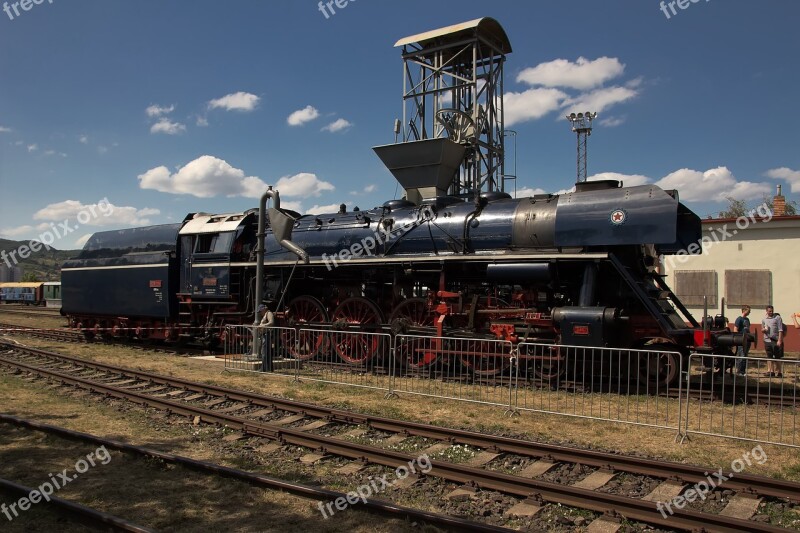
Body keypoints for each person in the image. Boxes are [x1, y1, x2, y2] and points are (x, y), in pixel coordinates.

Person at [761, 305, 784, 377]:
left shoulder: (777, 318)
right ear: (766, 311)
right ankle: (771, 371)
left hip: (775, 340)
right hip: (767, 339)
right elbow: (762, 328)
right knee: (769, 356)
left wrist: (779, 340)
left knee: (777, 356)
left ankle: (779, 372)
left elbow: (780, 330)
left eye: (772, 311)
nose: (771, 312)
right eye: (769, 311)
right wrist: (763, 330)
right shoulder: (764, 319)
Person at [258, 303, 276, 371]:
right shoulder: (266, 314)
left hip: (267, 335)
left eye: (260, 311)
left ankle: (264, 368)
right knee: (266, 352)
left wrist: (262, 326)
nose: (260, 313)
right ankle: (267, 368)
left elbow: (271, 322)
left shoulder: (269, 313)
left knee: (265, 352)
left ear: (263, 309)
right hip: (265, 335)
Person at [733, 305, 751, 376]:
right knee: (741, 355)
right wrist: (737, 339)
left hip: (747, 339)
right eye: (748, 310)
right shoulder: (739, 319)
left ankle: (743, 371)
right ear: (744, 310)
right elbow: (735, 329)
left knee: (745, 355)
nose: (749, 312)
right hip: (741, 339)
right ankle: (739, 371)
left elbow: (748, 329)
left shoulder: (747, 320)